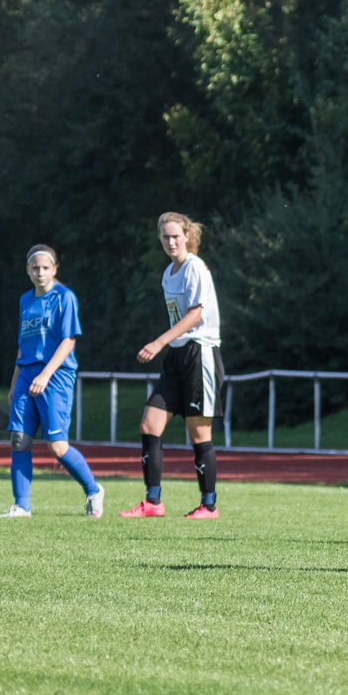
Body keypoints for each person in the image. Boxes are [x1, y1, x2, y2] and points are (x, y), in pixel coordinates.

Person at [119, 212, 225, 519]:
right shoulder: (169, 273)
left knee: (198, 434)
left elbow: (195, 315)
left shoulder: (195, 268)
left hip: (200, 354)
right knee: (149, 425)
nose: (171, 242)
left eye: (176, 236)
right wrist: (168, 345)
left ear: (187, 236)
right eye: (165, 237)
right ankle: (153, 502)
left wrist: (158, 342)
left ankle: (209, 506)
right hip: (177, 357)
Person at [0, 245, 104, 518]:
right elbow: (23, 347)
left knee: (56, 446)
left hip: (55, 377)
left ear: (55, 269)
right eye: (35, 268)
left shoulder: (64, 297)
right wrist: (14, 384)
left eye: (46, 268)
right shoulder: (25, 300)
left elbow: (68, 341)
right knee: (19, 439)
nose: (40, 273)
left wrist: (45, 375)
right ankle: (22, 506)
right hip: (26, 376)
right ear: (27, 271)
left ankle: (93, 489)